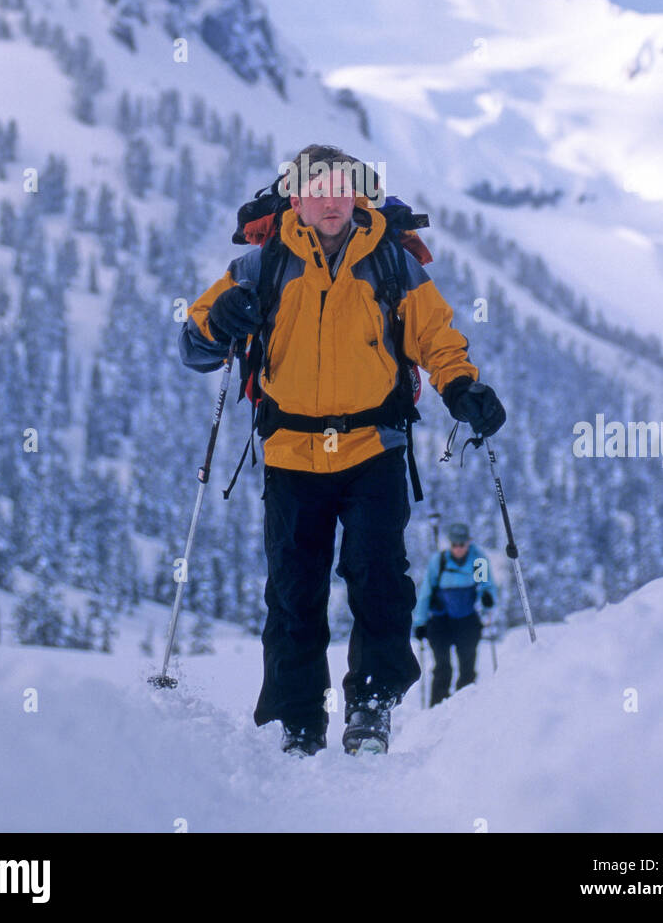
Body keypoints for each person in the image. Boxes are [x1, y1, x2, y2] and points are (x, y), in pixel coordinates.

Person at [178, 143, 506, 756]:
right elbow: (194, 346)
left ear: (357, 194)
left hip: (371, 446)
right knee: (294, 591)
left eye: (340, 187)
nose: (329, 200)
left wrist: (461, 387)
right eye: (315, 188)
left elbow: (435, 336)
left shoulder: (390, 262)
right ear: (294, 197)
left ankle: (372, 708)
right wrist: (220, 320)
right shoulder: (260, 267)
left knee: (379, 579)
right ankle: (295, 721)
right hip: (290, 452)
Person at [413, 521, 497, 707]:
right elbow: (426, 592)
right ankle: (436, 709)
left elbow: (485, 586)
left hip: (467, 621)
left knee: (467, 666)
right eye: (454, 544)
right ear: (450, 544)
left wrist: (487, 599)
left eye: (462, 544)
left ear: (469, 542)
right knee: (442, 667)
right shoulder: (440, 561)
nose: (458, 548)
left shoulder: (477, 560)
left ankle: (465, 708)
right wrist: (420, 623)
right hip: (441, 621)